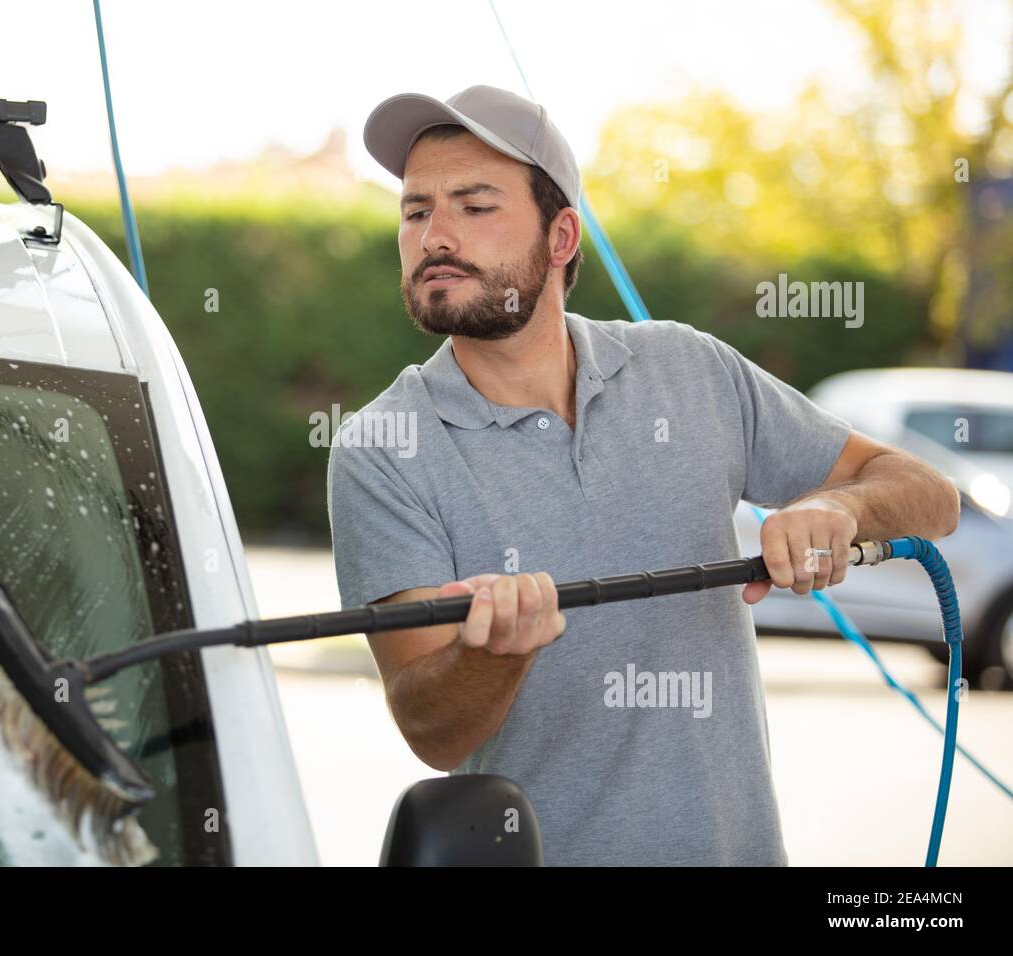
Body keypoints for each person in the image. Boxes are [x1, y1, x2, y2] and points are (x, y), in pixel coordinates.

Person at [326, 84, 961, 865]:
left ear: (561, 238)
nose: (435, 236)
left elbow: (931, 498)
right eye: (416, 210)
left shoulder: (688, 370)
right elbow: (430, 729)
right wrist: (495, 653)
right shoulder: (381, 449)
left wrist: (840, 509)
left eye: (475, 205)